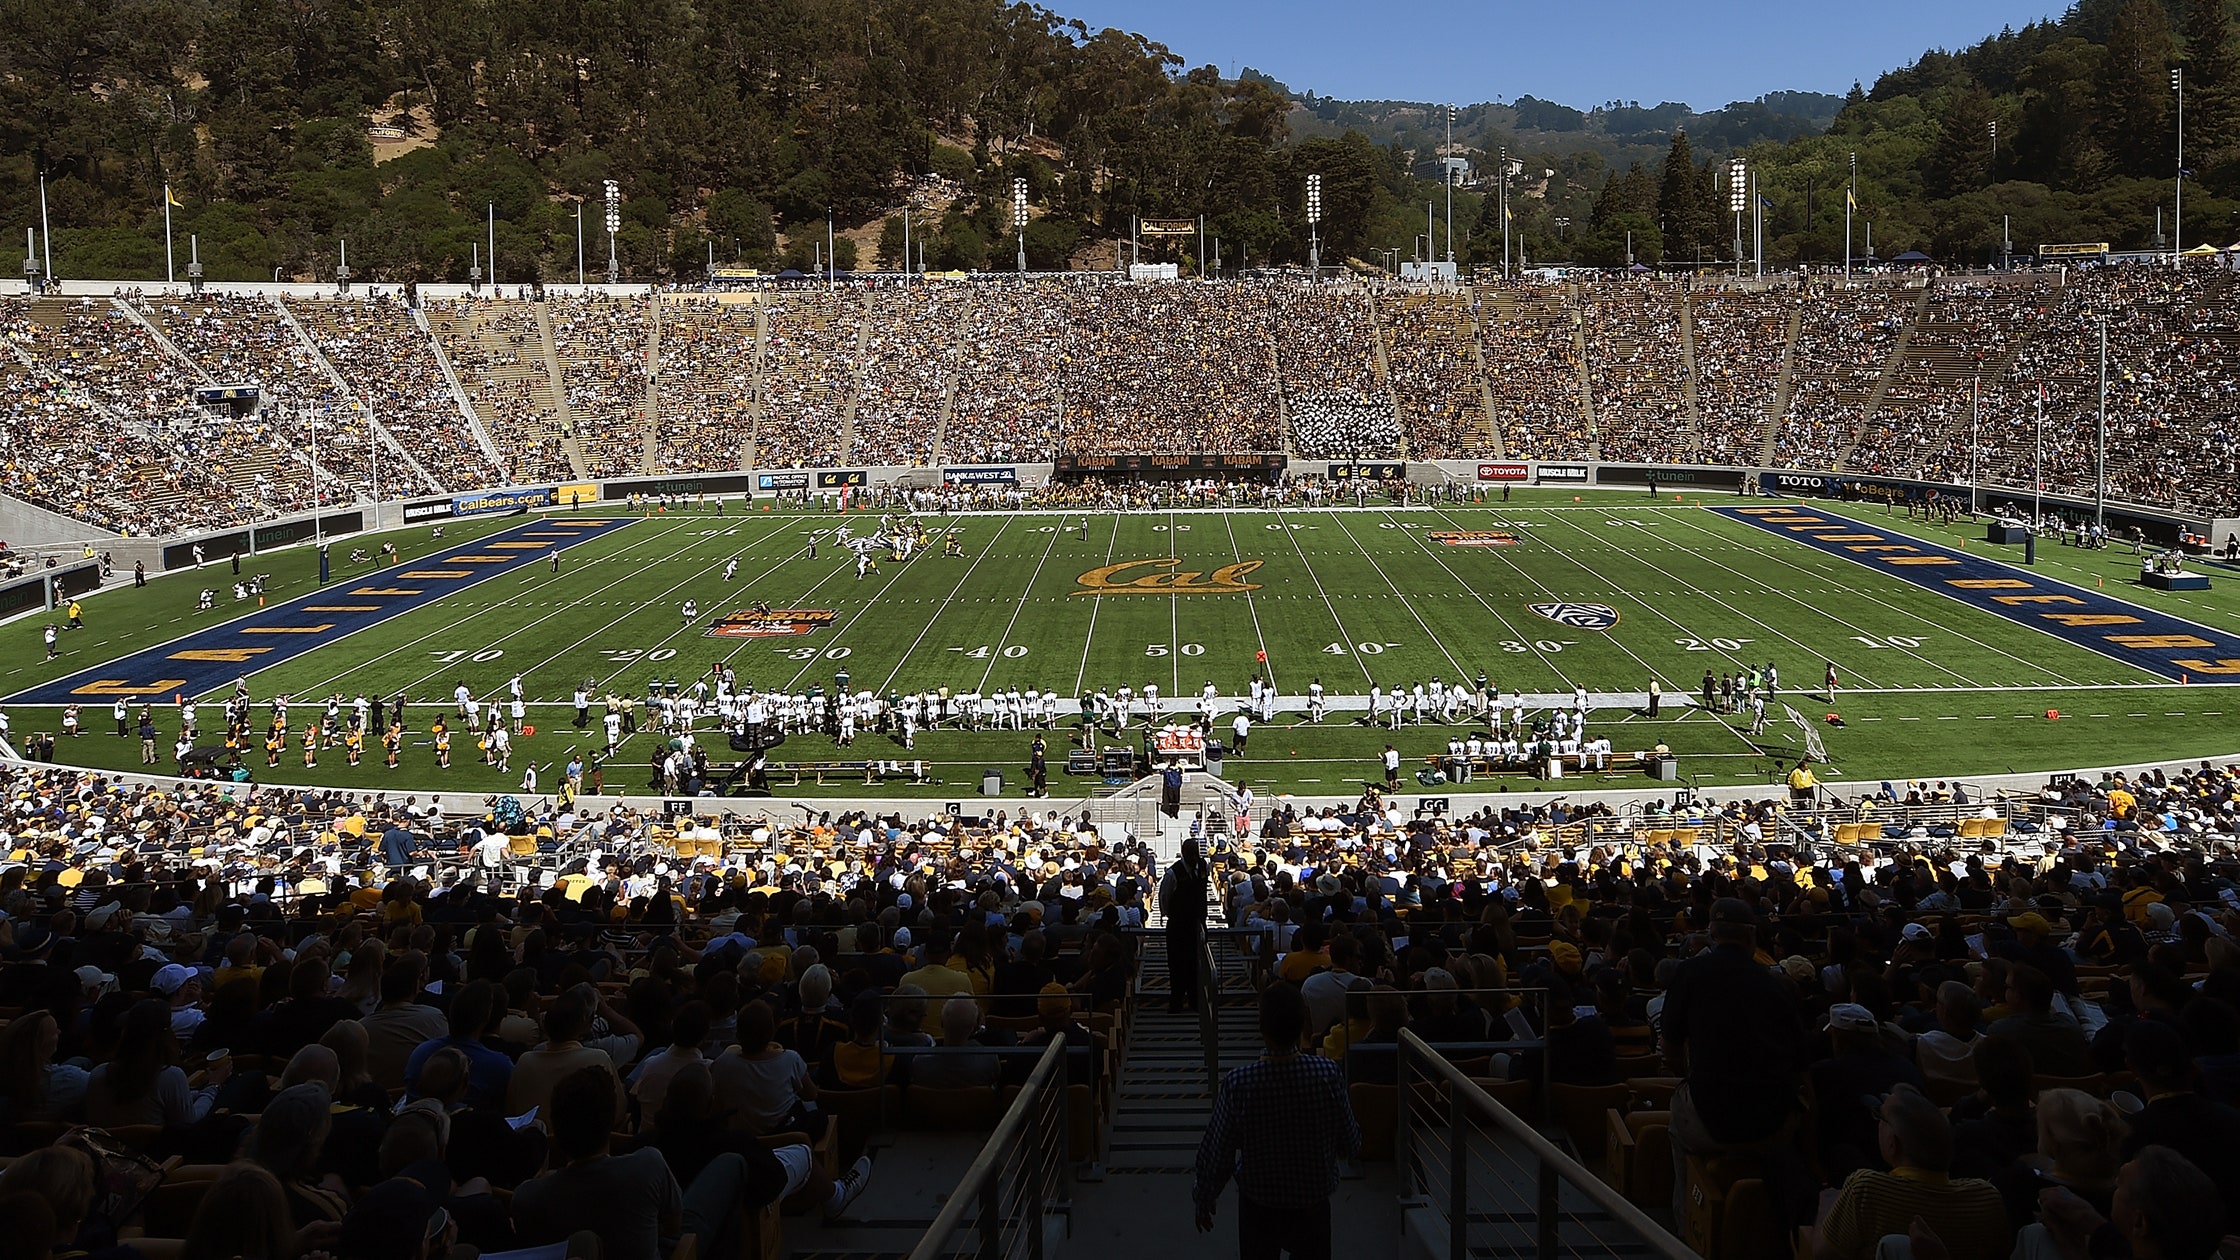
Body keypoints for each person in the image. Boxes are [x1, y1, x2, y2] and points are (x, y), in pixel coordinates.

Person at [1192, 983, 1358, 1260]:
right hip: (1312, 1201)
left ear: (1261, 1026)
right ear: (1302, 1023)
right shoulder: (1328, 1073)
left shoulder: (1239, 1083)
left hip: (1260, 1205)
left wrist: (1205, 1197)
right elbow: (1349, 1141)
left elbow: (1218, 1150)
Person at [1662, 898, 1805, 1221]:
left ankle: (1687, 1229)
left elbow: (1669, 1046)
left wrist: (1690, 1075)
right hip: (1772, 1116)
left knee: (1676, 1126)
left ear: (1711, 934)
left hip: (1709, 1115)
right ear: (1752, 937)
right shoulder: (1776, 983)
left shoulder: (1691, 972)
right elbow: (1800, 1059)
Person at [1808, 1084, 2009, 1260]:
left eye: (1879, 1116)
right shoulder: (1987, 1198)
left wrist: (1826, 1202)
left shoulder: (1866, 1190)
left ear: (1892, 1143)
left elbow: (1822, 1255)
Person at [1162, 838, 1210, 1013]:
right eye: (1190, 854)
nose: (1194, 857)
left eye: (1196, 853)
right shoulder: (1172, 874)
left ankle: (1195, 1001)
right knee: (1176, 965)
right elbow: (1165, 898)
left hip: (1198, 923)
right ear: (1183, 853)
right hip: (1178, 926)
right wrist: (1174, 915)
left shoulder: (1204, 867)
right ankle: (1176, 1002)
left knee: (1196, 964)